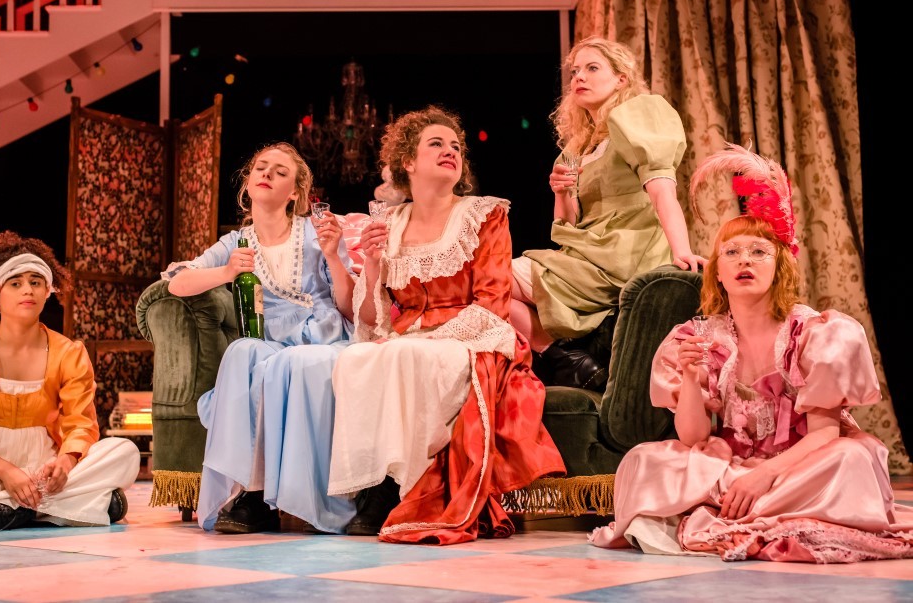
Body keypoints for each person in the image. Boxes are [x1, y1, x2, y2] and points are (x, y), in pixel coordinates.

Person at [591, 143, 913, 563]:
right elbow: (693, 438)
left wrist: (764, 475)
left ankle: (742, 513)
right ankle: (755, 510)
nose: (745, 260)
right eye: (732, 252)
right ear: (718, 271)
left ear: (778, 266)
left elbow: (825, 434)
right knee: (643, 460)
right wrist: (689, 375)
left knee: (852, 459)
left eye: (759, 251)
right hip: (731, 463)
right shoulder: (696, 337)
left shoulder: (814, 332)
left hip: (802, 463)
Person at [327, 106, 566, 545]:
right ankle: (378, 482)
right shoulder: (390, 222)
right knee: (355, 358)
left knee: (406, 352)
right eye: (435, 144)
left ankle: (406, 490)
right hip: (409, 337)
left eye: (455, 146)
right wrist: (374, 264)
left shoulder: (485, 215)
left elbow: (492, 303)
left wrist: (423, 337)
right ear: (408, 161)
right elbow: (373, 318)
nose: (450, 151)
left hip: (476, 336)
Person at [165, 142, 358, 535]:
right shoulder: (236, 242)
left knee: (289, 363)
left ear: (295, 193)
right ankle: (250, 495)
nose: (267, 173)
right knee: (241, 352)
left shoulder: (315, 233)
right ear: (248, 182)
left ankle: (306, 500)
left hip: (325, 340)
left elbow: (350, 307)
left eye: (280, 171)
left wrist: (333, 256)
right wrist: (226, 273)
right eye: (261, 167)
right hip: (273, 344)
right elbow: (177, 283)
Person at [510, 36, 705, 390]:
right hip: (585, 253)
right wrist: (561, 191)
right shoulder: (577, 149)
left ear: (621, 79)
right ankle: (562, 357)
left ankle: (560, 356)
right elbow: (567, 224)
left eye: (592, 68)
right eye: (575, 71)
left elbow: (662, 190)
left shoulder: (637, 118)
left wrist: (681, 251)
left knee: (488, 277)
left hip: (625, 252)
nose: (579, 77)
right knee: (482, 284)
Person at [0, 231, 140, 534]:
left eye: (36, 282)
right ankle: (63, 507)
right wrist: (6, 472)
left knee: (124, 451)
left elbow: (81, 424)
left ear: (48, 291)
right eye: (15, 283)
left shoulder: (69, 353)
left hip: (47, 469)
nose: (28, 290)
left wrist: (65, 464)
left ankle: (0, 511)